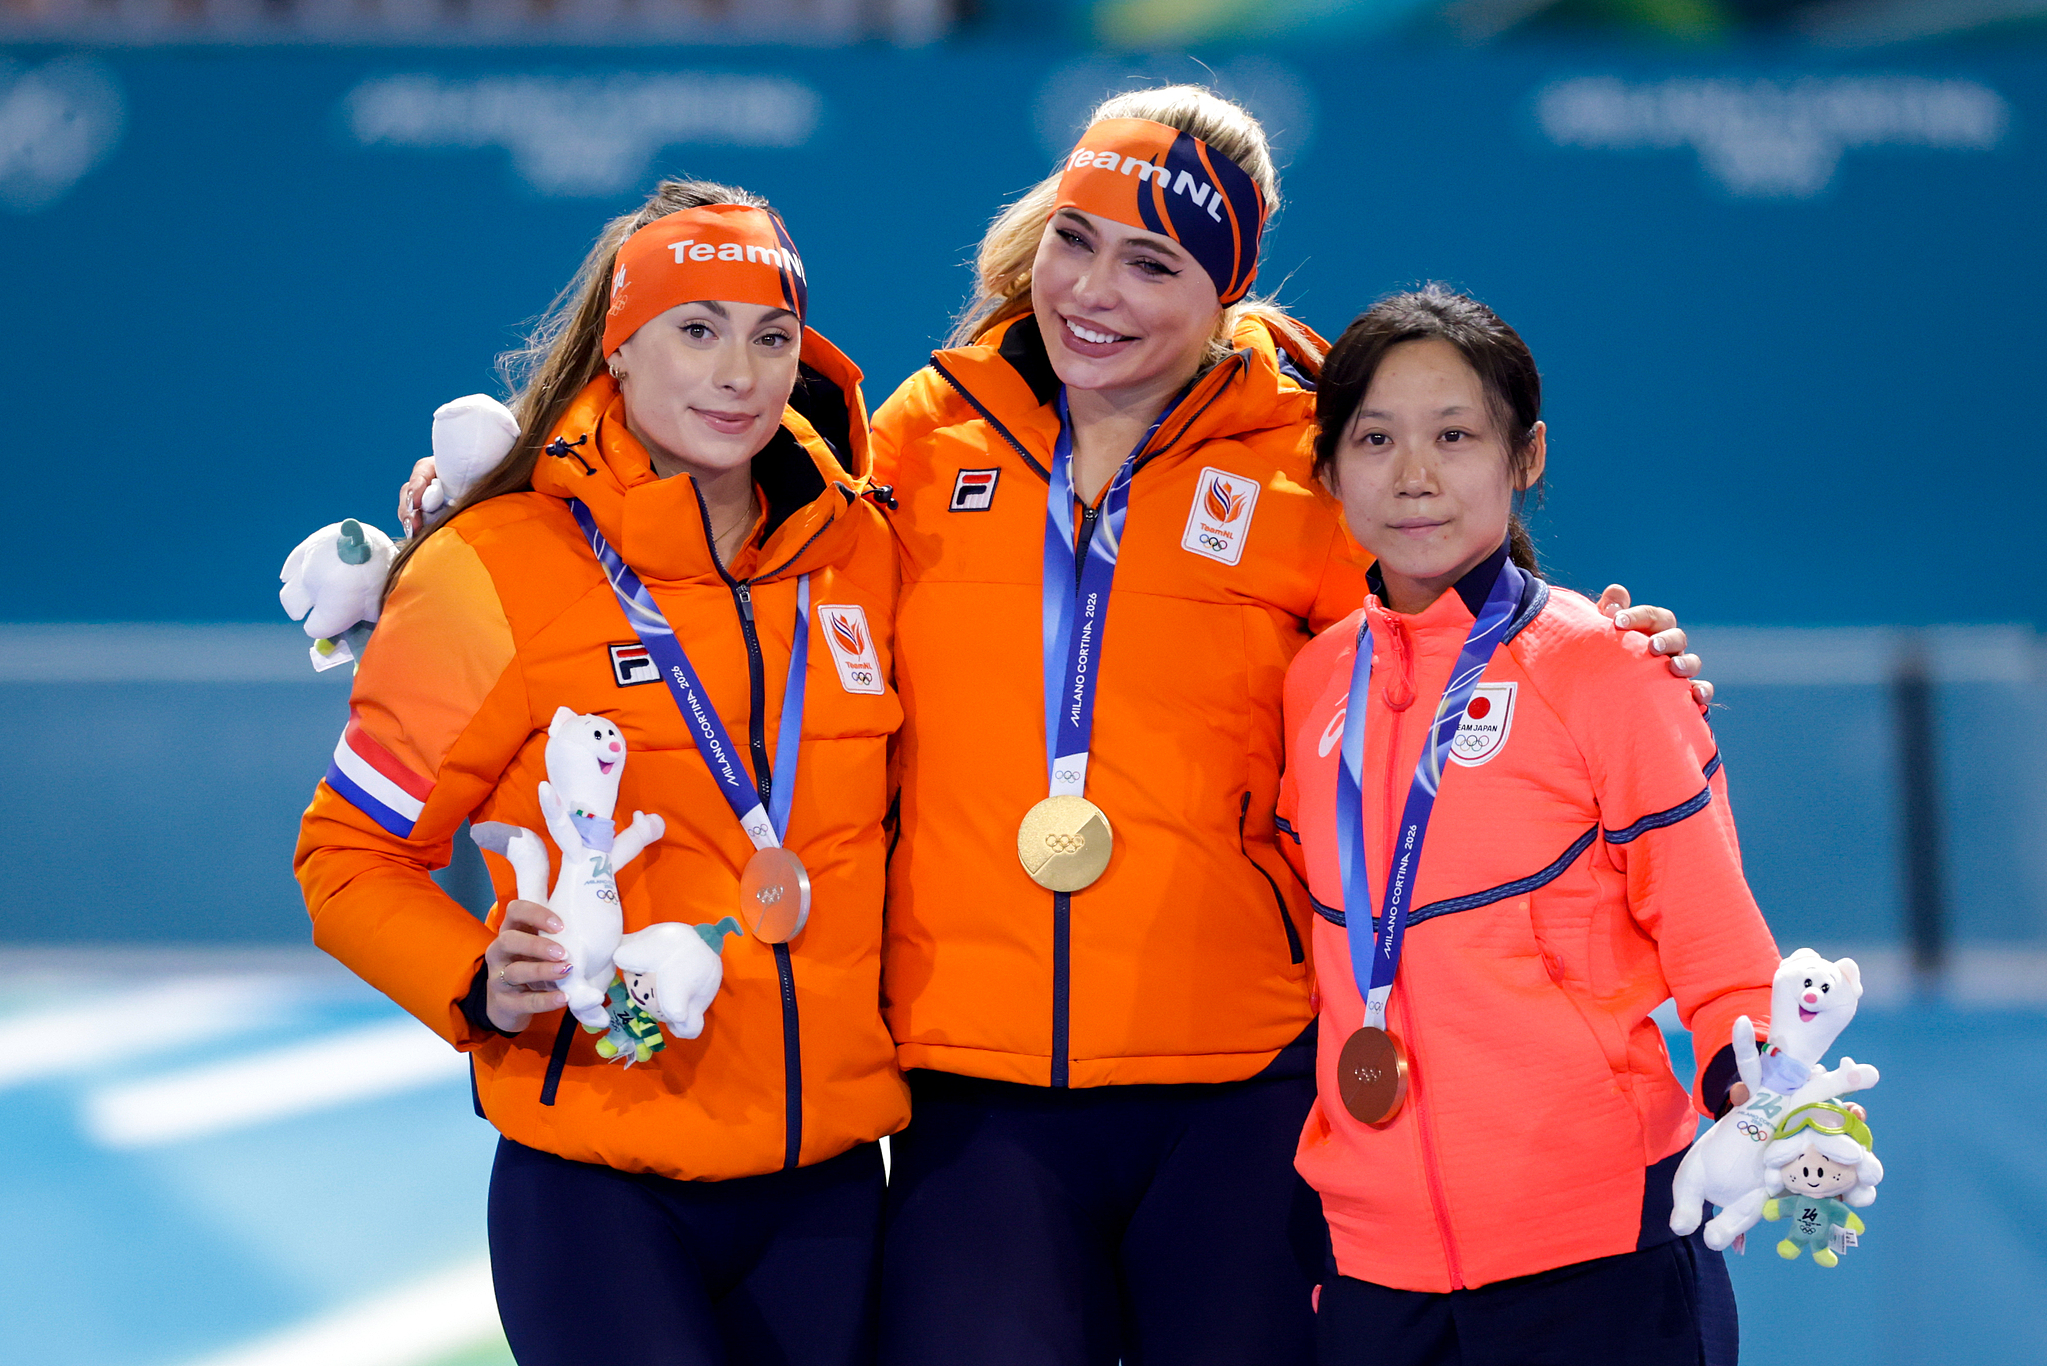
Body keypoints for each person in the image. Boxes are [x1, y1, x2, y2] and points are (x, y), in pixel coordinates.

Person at [868, 88, 1709, 1366]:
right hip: (973, 1086)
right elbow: (738, 594)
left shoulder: (1302, 459)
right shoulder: (920, 437)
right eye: (1075, 239)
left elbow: (1473, 650)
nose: (1093, 289)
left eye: (1151, 262)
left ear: (1224, 294)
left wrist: (1618, 650)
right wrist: (479, 507)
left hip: (1239, 1085)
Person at [295, 179, 907, 1366]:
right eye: (696, 328)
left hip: (830, 1188)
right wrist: (478, 979)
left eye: (770, 336)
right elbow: (348, 856)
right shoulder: (492, 567)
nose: (738, 371)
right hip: (599, 1189)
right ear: (617, 350)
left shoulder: (864, 554)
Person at [1276, 284, 1781, 1366]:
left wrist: (1769, 1103)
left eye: (1453, 436)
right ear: (1324, 468)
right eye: (1373, 438)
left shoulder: (1599, 665)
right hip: (1373, 1269)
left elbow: (1718, 947)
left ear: (1525, 455)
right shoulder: (1313, 682)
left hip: (1599, 1258)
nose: (1413, 476)